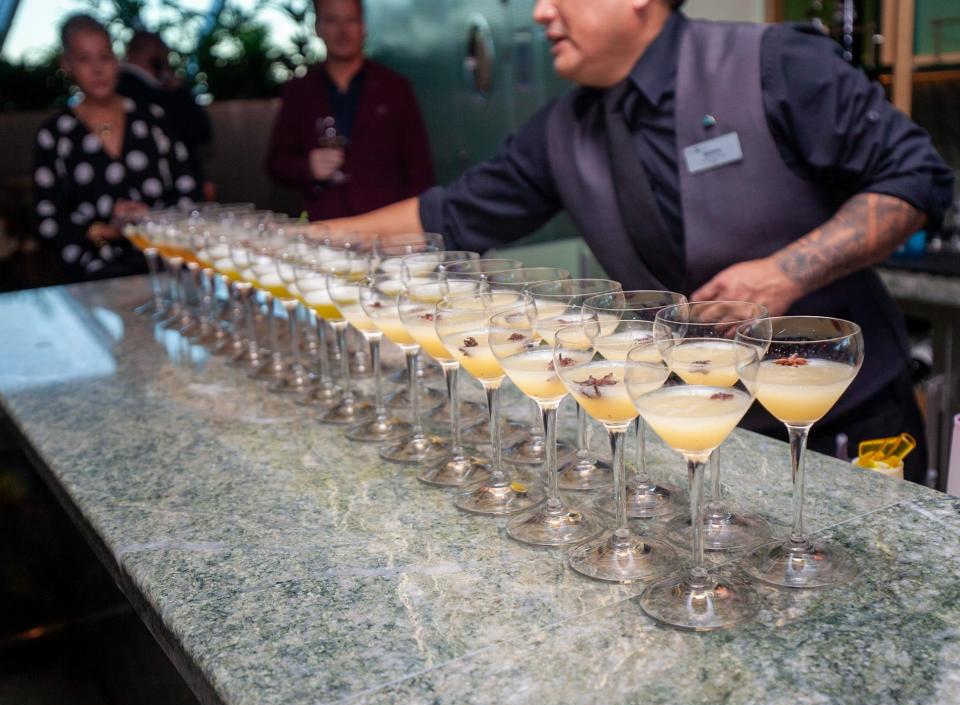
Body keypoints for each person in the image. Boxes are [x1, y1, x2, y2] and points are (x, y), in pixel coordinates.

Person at [315, 0, 955, 483]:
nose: (540, 13)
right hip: (702, 430)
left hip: (847, 421)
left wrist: (785, 272)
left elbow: (917, 178)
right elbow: (449, 215)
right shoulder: (560, 130)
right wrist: (299, 240)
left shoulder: (776, 63)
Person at [33, 14, 202, 282]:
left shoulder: (152, 119)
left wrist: (151, 220)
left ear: (118, 59)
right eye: (84, 59)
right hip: (92, 276)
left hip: (165, 265)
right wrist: (106, 231)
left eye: (105, 57)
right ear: (66, 65)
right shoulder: (56, 134)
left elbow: (188, 193)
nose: (98, 69)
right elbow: (46, 218)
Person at [264, 0, 434, 220]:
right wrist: (308, 167)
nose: (343, 31)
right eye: (332, 20)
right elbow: (275, 163)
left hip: (386, 227)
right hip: (326, 226)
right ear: (318, 27)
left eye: (351, 20)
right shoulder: (300, 91)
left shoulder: (395, 88)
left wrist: (412, 225)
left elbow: (420, 170)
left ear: (363, 26)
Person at [117, 30, 213, 186]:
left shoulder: (118, 89)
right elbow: (200, 130)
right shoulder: (156, 95)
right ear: (157, 56)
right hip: (168, 185)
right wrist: (179, 92)